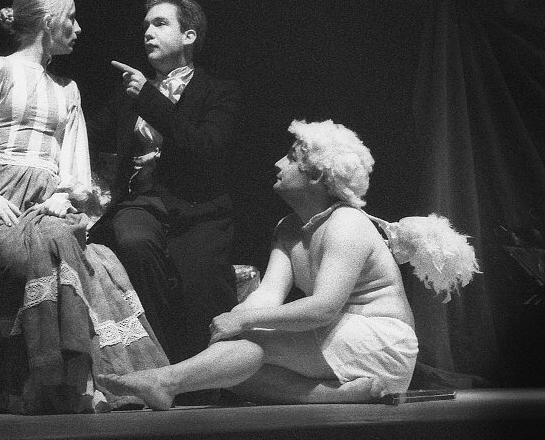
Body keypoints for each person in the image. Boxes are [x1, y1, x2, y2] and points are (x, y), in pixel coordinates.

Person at [0, 0, 168, 415]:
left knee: (101, 261)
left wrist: (65, 197)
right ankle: (51, 383)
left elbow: (73, 163)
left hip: (46, 208)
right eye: (72, 18)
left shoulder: (68, 89)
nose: (78, 28)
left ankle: (106, 382)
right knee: (53, 249)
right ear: (48, 21)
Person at [98, 119, 422, 409]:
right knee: (232, 371)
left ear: (316, 175)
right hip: (339, 346)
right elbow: (268, 294)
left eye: (291, 158)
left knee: (249, 344)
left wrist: (244, 323)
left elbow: (324, 307)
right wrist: (233, 322)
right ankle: (340, 395)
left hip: (385, 345)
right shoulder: (289, 228)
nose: (278, 163)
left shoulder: (346, 223)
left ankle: (165, 381)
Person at [88, 0, 240, 365]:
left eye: (159, 23)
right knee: (134, 241)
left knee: (202, 281)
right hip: (141, 203)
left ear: (189, 36)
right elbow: (88, 133)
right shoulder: (130, 93)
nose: (147, 33)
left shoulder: (218, 92)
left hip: (198, 208)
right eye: (145, 26)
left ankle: (201, 380)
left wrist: (149, 99)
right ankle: (154, 363)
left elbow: (205, 146)